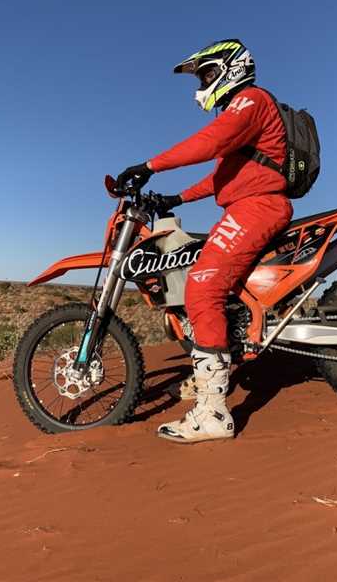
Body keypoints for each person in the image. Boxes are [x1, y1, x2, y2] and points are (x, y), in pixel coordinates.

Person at [115, 39, 293, 444]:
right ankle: (214, 374)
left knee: (202, 286)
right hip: (244, 207)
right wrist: (175, 198)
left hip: (257, 208)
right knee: (211, 284)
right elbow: (220, 177)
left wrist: (149, 167)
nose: (203, 85)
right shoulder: (243, 117)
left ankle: (213, 412)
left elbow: (209, 142)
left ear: (232, 68)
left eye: (208, 74)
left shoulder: (250, 101)